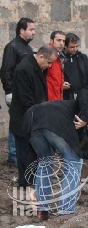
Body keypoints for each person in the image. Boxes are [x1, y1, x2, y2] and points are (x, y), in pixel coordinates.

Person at [24, 88, 88, 221]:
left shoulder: (61, 106)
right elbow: (85, 92)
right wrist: (86, 119)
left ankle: (42, 212)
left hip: (31, 119)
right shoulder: (75, 109)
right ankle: (66, 210)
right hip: (51, 120)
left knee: (45, 163)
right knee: (74, 161)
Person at [9, 45, 57, 188]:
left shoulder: (37, 67)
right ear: (41, 56)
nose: (50, 66)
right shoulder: (24, 69)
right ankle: (25, 186)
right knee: (25, 155)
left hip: (34, 119)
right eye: (49, 62)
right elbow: (26, 100)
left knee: (34, 154)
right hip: (24, 120)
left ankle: (33, 183)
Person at [0, 17, 35, 165]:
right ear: (22, 30)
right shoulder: (12, 47)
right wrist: (9, 91)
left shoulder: (27, 48)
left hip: (26, 94)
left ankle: (21, 153)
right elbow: (5, 70)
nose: (34, 33)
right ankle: (14, 155)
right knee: (16, 123)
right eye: (31, 29)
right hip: (15, 93)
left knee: (25, 123)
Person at [61, 33, 88, 161]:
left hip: (82, 95)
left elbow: (87, 77)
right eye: (72, 47)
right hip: (66, 97)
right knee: (68, 125)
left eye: (77, 46)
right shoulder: (60, 59)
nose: (75, 49)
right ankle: (69, 152)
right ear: (65, 46)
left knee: (83, 123)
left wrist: (86, 92)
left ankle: (87, 151)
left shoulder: (82, 58)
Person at [47, 31, 69, 101]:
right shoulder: (46, 54)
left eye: (63, 41)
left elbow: (55, 77)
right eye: (59, 40)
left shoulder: (59, 54)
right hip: (49, 99)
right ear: (51, 40)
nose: (62, 43)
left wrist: (61, 84)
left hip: (58, 97)